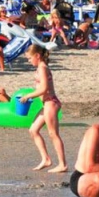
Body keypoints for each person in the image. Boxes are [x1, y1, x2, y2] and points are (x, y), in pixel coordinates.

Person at [20, 45, 67, 173]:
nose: (29, 61)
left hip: (51, 103)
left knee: (53, 134)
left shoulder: (42, 68)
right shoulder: (39, 68)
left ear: (37, 56)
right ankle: (46, 159)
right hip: (46, 104)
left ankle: (62, 164)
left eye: (29, 58)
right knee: (33, 130)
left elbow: (44, 89)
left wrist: (28, 96)